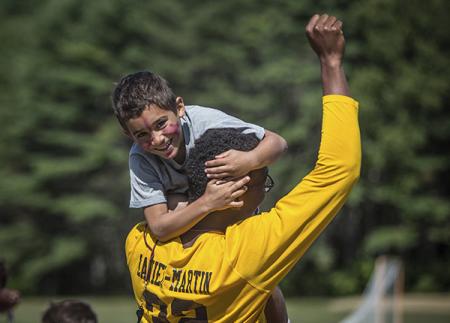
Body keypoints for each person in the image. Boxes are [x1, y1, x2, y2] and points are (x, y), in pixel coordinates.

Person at [125, 13, 361, 322]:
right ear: (237, 190)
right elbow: (339, 170)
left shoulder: (138, 242)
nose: (263, 193)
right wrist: (331, 63)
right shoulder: (244, 256)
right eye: (264, 182)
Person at [112, 34, 288, 322]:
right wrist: (207, 202)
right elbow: (159, 226)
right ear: (128, 135)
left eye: (161, 124)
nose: (156, 139)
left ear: (179, 108)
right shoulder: (139, 158)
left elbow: (277, 143)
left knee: (264, 278)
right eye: (142, 135)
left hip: (234, 214)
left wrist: (249, 160)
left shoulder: (206, 122)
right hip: (188, 224)